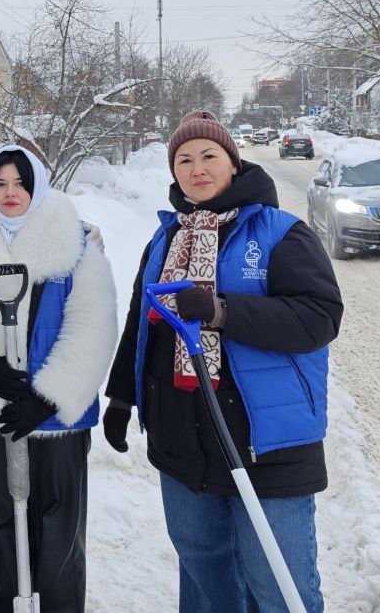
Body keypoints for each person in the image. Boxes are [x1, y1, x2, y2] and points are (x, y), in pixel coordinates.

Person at [104, 110, 342, 613]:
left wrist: (221, 311)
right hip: (183, 443)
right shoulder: (165, 238)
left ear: (233, 163)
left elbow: (318, 318)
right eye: (184, 160)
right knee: (207, 582)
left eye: (209, 156)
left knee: (278, 589)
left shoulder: (280, 232)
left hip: (266, 444)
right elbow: (140, 324)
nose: (197, 169)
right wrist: (122, 397)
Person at [0, 146, 117, 613]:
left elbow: (93, 324)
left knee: (57, 532)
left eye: (20, 183)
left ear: (38, 186)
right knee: (3, 525)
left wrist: (49, 397)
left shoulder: (74, 244)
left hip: (54, 421)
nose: (11, 194)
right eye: (0, 184)